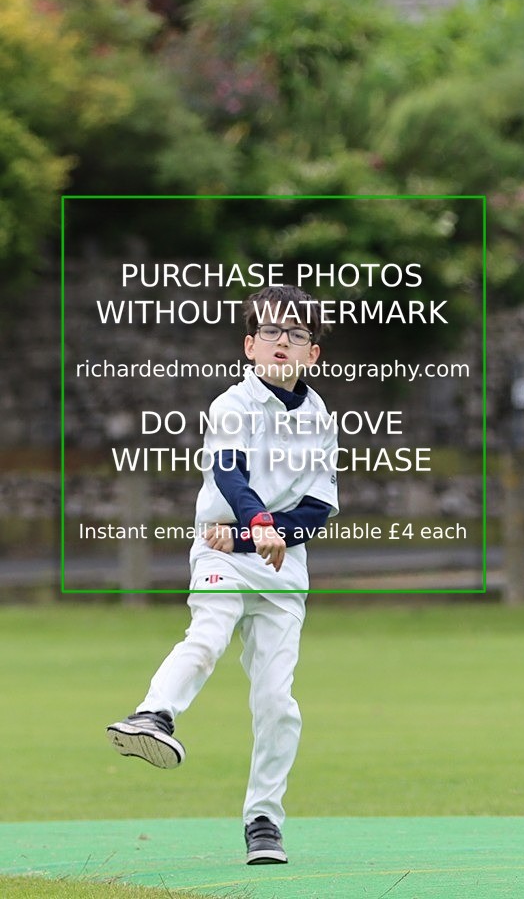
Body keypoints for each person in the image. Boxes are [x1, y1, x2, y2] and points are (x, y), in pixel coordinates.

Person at [107, 284, 339, 864]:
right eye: (270, 333)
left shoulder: (320, 418)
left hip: (281, 569)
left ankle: (264, 821)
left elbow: (316, 509)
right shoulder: (230, 405)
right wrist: (252, 524)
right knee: (207, 636)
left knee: (277, 702)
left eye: (297, 334)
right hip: (220, 556)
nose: (281, 342)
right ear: (249, 346)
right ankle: (153, 714)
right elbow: (229, 475)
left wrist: (252, 533)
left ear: (313, 354)